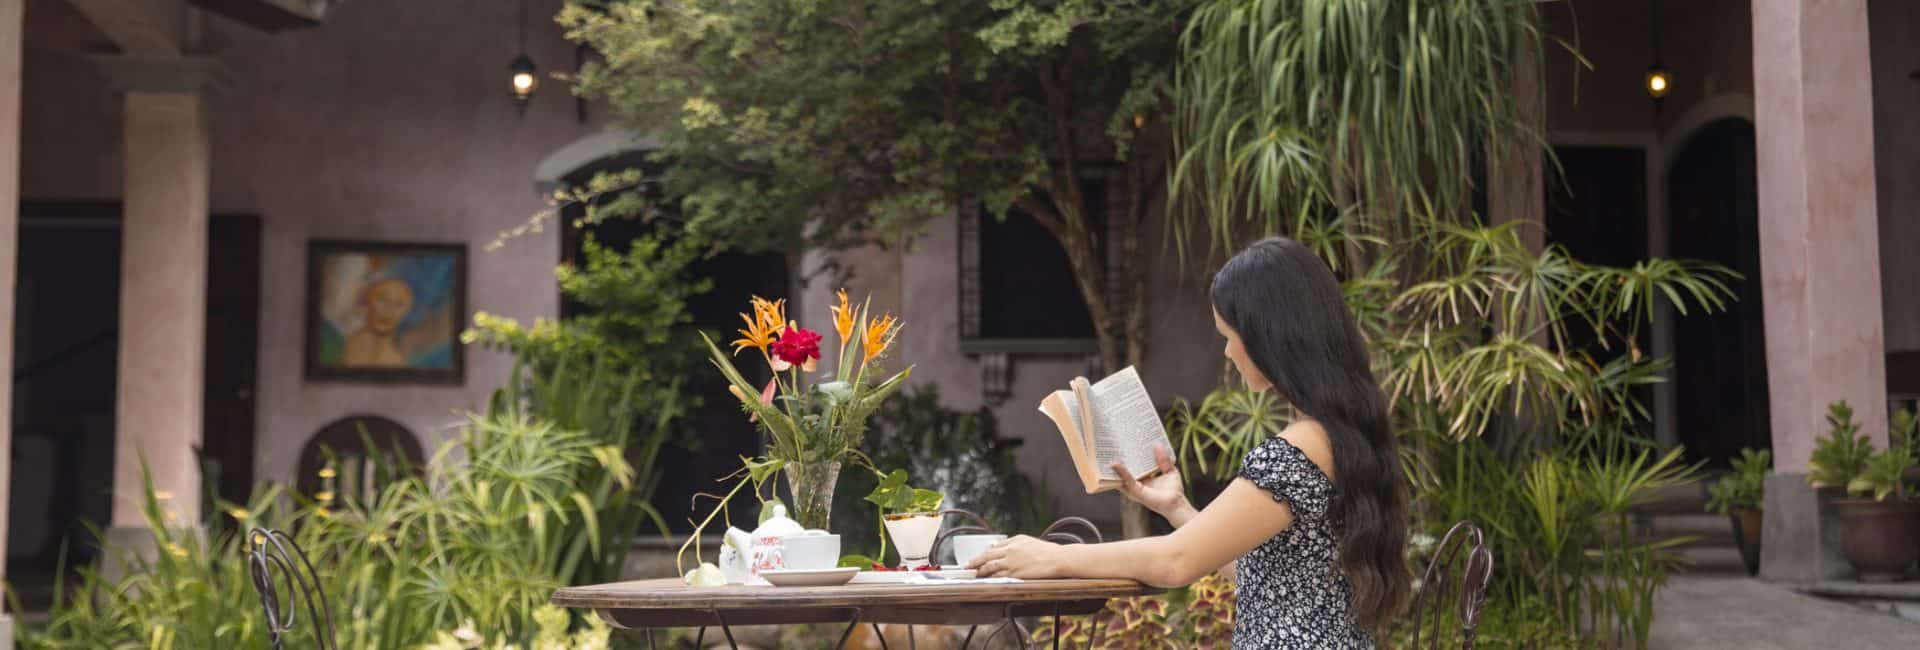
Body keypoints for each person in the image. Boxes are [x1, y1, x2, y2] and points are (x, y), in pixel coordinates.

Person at [967, 237, 1411, 648]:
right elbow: (1268, 580)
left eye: (1228, 336)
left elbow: (1174, 563)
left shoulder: (1292, 454)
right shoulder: (1339, 434)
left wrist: (1055, 558)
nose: (1227, 353)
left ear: (1268, 337)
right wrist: (1175, 507)